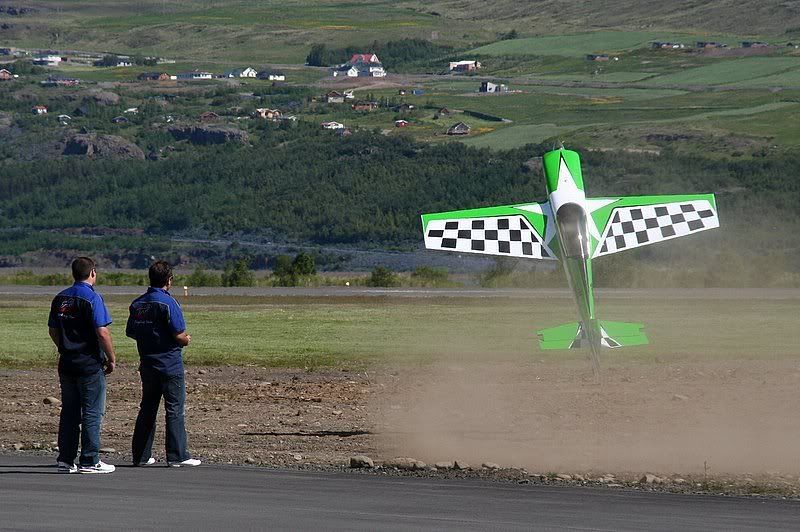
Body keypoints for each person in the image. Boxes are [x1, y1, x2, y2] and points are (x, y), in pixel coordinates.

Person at [127, 260, 200, 467]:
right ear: (169, 280)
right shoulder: (169, 303)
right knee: (174, 408)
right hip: (169, 363)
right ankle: (177, 455)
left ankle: (140, 455)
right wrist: (186, 340)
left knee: (147, 408)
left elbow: (131, 331)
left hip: (147, 363)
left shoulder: (137, 304)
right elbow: (179, 334)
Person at [48, 257, 116, 474]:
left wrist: (63, 347)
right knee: (92, 411)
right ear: (92, 273)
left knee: (69, 411)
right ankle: (89, 459)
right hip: (88, 363)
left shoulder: (60, 298)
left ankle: (66, 459)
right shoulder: (92, 298)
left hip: (67, 362)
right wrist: (111, 357)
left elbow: (52, 329)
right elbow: (102, 331)